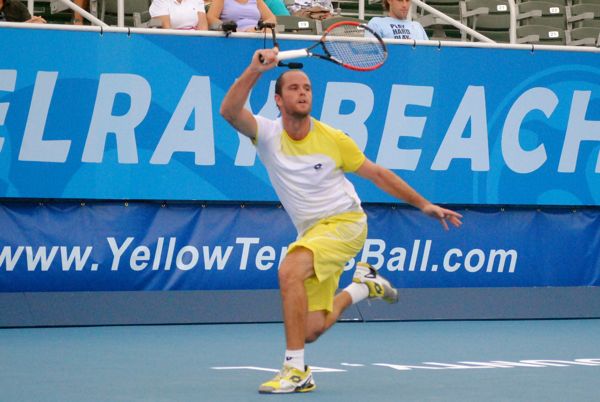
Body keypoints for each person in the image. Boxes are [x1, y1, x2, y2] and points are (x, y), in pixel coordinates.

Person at [220, 48, 462, 394]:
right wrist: (254, 69)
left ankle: (295, 370)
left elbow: (377, 174)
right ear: (277, 99)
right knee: (308, 330)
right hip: (312, 233)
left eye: (307, 88)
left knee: (289, 270)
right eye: (294, 88)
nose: (303, 93)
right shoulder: (268, 134)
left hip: (346, 223)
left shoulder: (334, 139)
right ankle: (363, 287)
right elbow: (229, 112)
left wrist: (423, 204)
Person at [206, 0, 276, 32]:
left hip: (257, 33)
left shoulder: (257, 0)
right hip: (235, 35)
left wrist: (257, 28)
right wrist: (233, 29)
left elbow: (272, 19)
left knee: (270, 31)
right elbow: (210, 19)